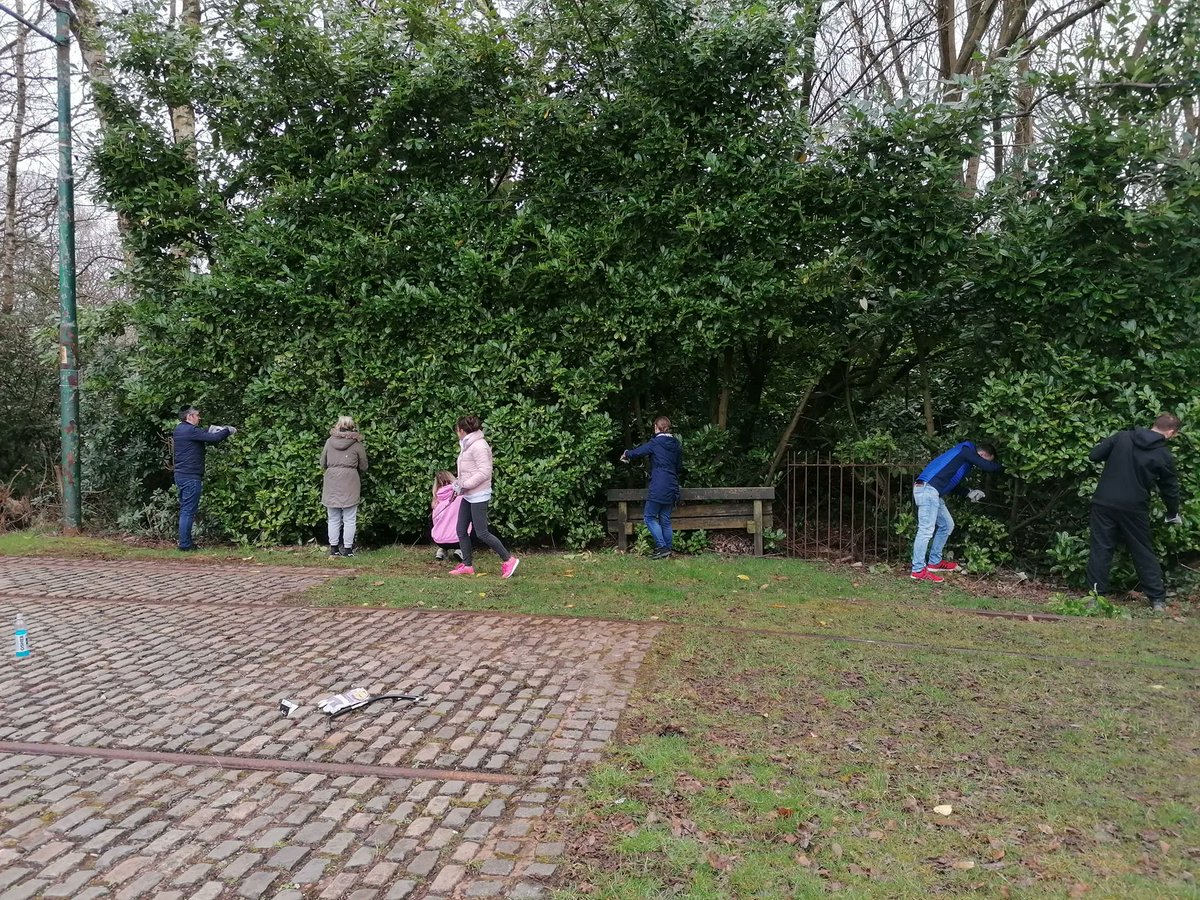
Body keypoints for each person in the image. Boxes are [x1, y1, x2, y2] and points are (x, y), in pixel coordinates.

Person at [1085, 413, 1182, 612]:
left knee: (1101, 548)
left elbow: (1094, 455)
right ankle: (1157, 600)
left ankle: (1095, 597)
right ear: (1171, 433)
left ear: (1154, 424)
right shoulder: (1163, 455)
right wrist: (1172, 513)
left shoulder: (1122, 437)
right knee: (1142, 551)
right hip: (1134, 508)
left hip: (1104, 502)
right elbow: (1170, 489)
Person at [910, 440, 1001, 582]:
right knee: (925, 531)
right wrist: (1008, 468)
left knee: (947, 525)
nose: (983, 464)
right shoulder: (966, 449)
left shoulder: (962, 459)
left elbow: (951, 483)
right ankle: (917, 570)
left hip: (932, 492)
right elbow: (988, 467)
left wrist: (968, 492)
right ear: (982, 455)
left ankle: (934, 562)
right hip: (928, 490)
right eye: (987, 460)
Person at [449, 416, 520, 578]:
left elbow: (485, 472)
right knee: (461, 529)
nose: (456, 433)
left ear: (461, 430)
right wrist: (459, 486)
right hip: (468, 494)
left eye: (457, 430)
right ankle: (467, 565)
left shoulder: (479, 445)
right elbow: (467, 470)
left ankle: (509, 560)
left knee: (482, 532)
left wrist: (465, 484)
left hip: (479, 495)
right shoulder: (467, 444)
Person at [171, 406, 236, 551]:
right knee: (188, 511)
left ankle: (185, 543)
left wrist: (211, 429)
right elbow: (214, 438)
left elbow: (201, 434)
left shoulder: (179, 429)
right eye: (197, 415)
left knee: (185, 509)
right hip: (191, 476)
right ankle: (185, 545)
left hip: (181, 475)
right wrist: (228, 430)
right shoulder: (190, 431)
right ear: (189, 416)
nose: (199, 418)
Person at [621, 416, 683, 560]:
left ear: (656, 427)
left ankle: (662, 547)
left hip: (659, 486)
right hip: (672, 486)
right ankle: (667, 549)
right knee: (665, 519)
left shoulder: (655, 443)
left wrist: (626, 454)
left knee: (649, 517)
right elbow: (679, 467)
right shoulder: (676, 444)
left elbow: (638, 452)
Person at [321, 416, 368, 557]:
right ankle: (348, 550)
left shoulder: (329, 442)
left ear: (337, 426)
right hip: (350, 482)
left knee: (333, 518)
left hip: (331, 482)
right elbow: (364, 466)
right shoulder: (357, 444)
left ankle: (334, 549)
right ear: (353, 427)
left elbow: (322, 462)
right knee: (349, 518)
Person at [431, 470, 466, 562]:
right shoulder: (461, 496)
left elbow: (435, 522)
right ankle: (461, 550)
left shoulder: (436, 501)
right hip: (458, 539)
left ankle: (442, 550)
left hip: (439, 540)